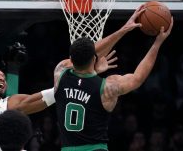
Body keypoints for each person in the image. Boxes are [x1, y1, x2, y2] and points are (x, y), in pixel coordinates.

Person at [0, 0, 128, 151]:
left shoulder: (10, 106)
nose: (1, 76)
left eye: (2, 75)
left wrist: (91, 71)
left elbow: (68, 77)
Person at [53, 9, 174, 150]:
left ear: (71, 58)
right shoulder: (107, 87)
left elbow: (82, 61)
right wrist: (157, 43)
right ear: (94, 58)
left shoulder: (60, 72)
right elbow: (138, 78)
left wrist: (94, 68)